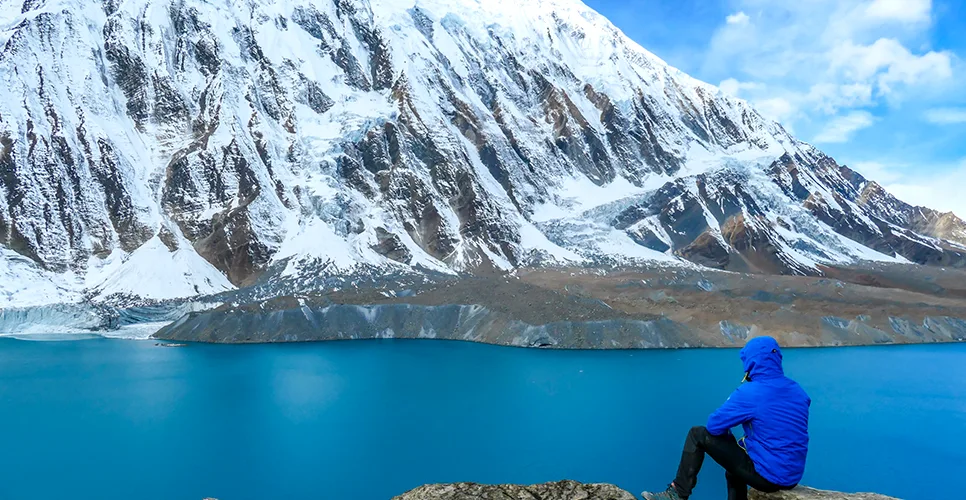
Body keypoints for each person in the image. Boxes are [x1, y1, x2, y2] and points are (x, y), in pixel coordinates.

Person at [641, 336, 810, 500]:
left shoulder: (750, 392)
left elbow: (713, 426)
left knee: (697, 434)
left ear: (751, 362)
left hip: (769, 477)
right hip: (793, 476)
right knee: (735, 466)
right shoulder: (798, 391)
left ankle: (677, 493)